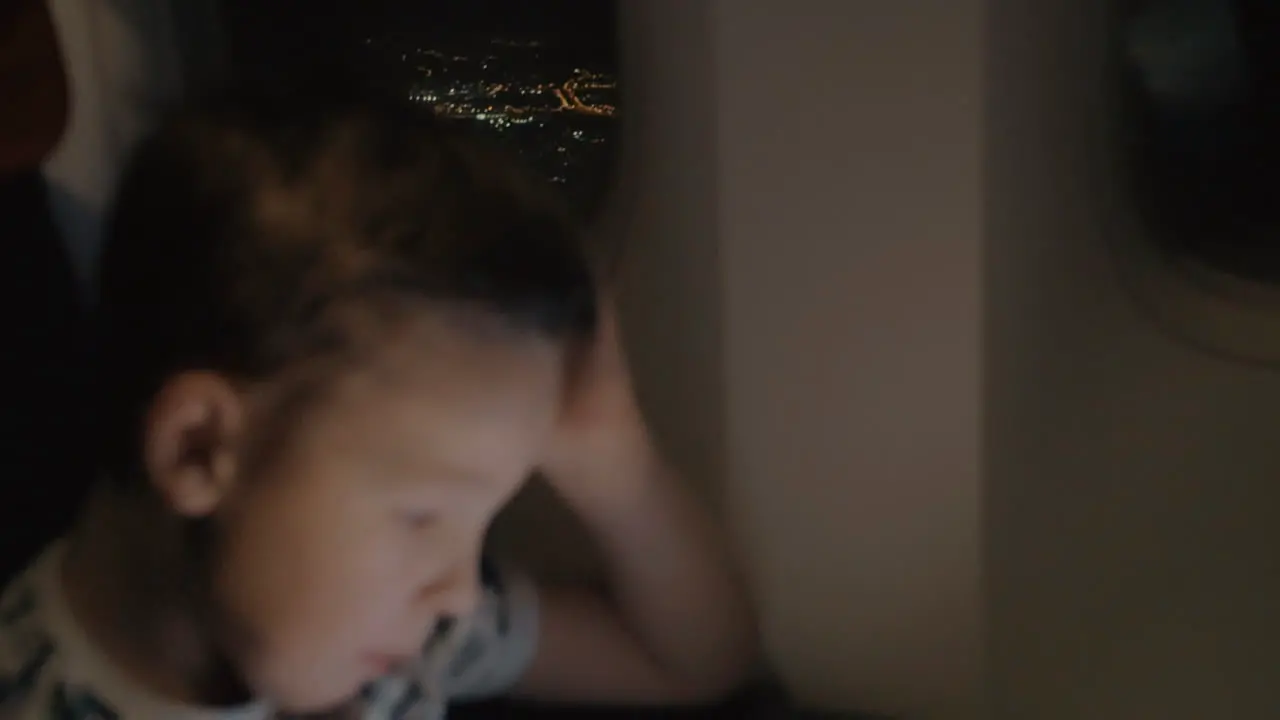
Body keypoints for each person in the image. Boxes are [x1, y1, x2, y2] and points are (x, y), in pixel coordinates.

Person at [0, 83, 758, 718]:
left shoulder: (392, 638)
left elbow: (695, 661)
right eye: (422, 515)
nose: (459, 595)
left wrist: (612, 460)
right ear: (197, 448)